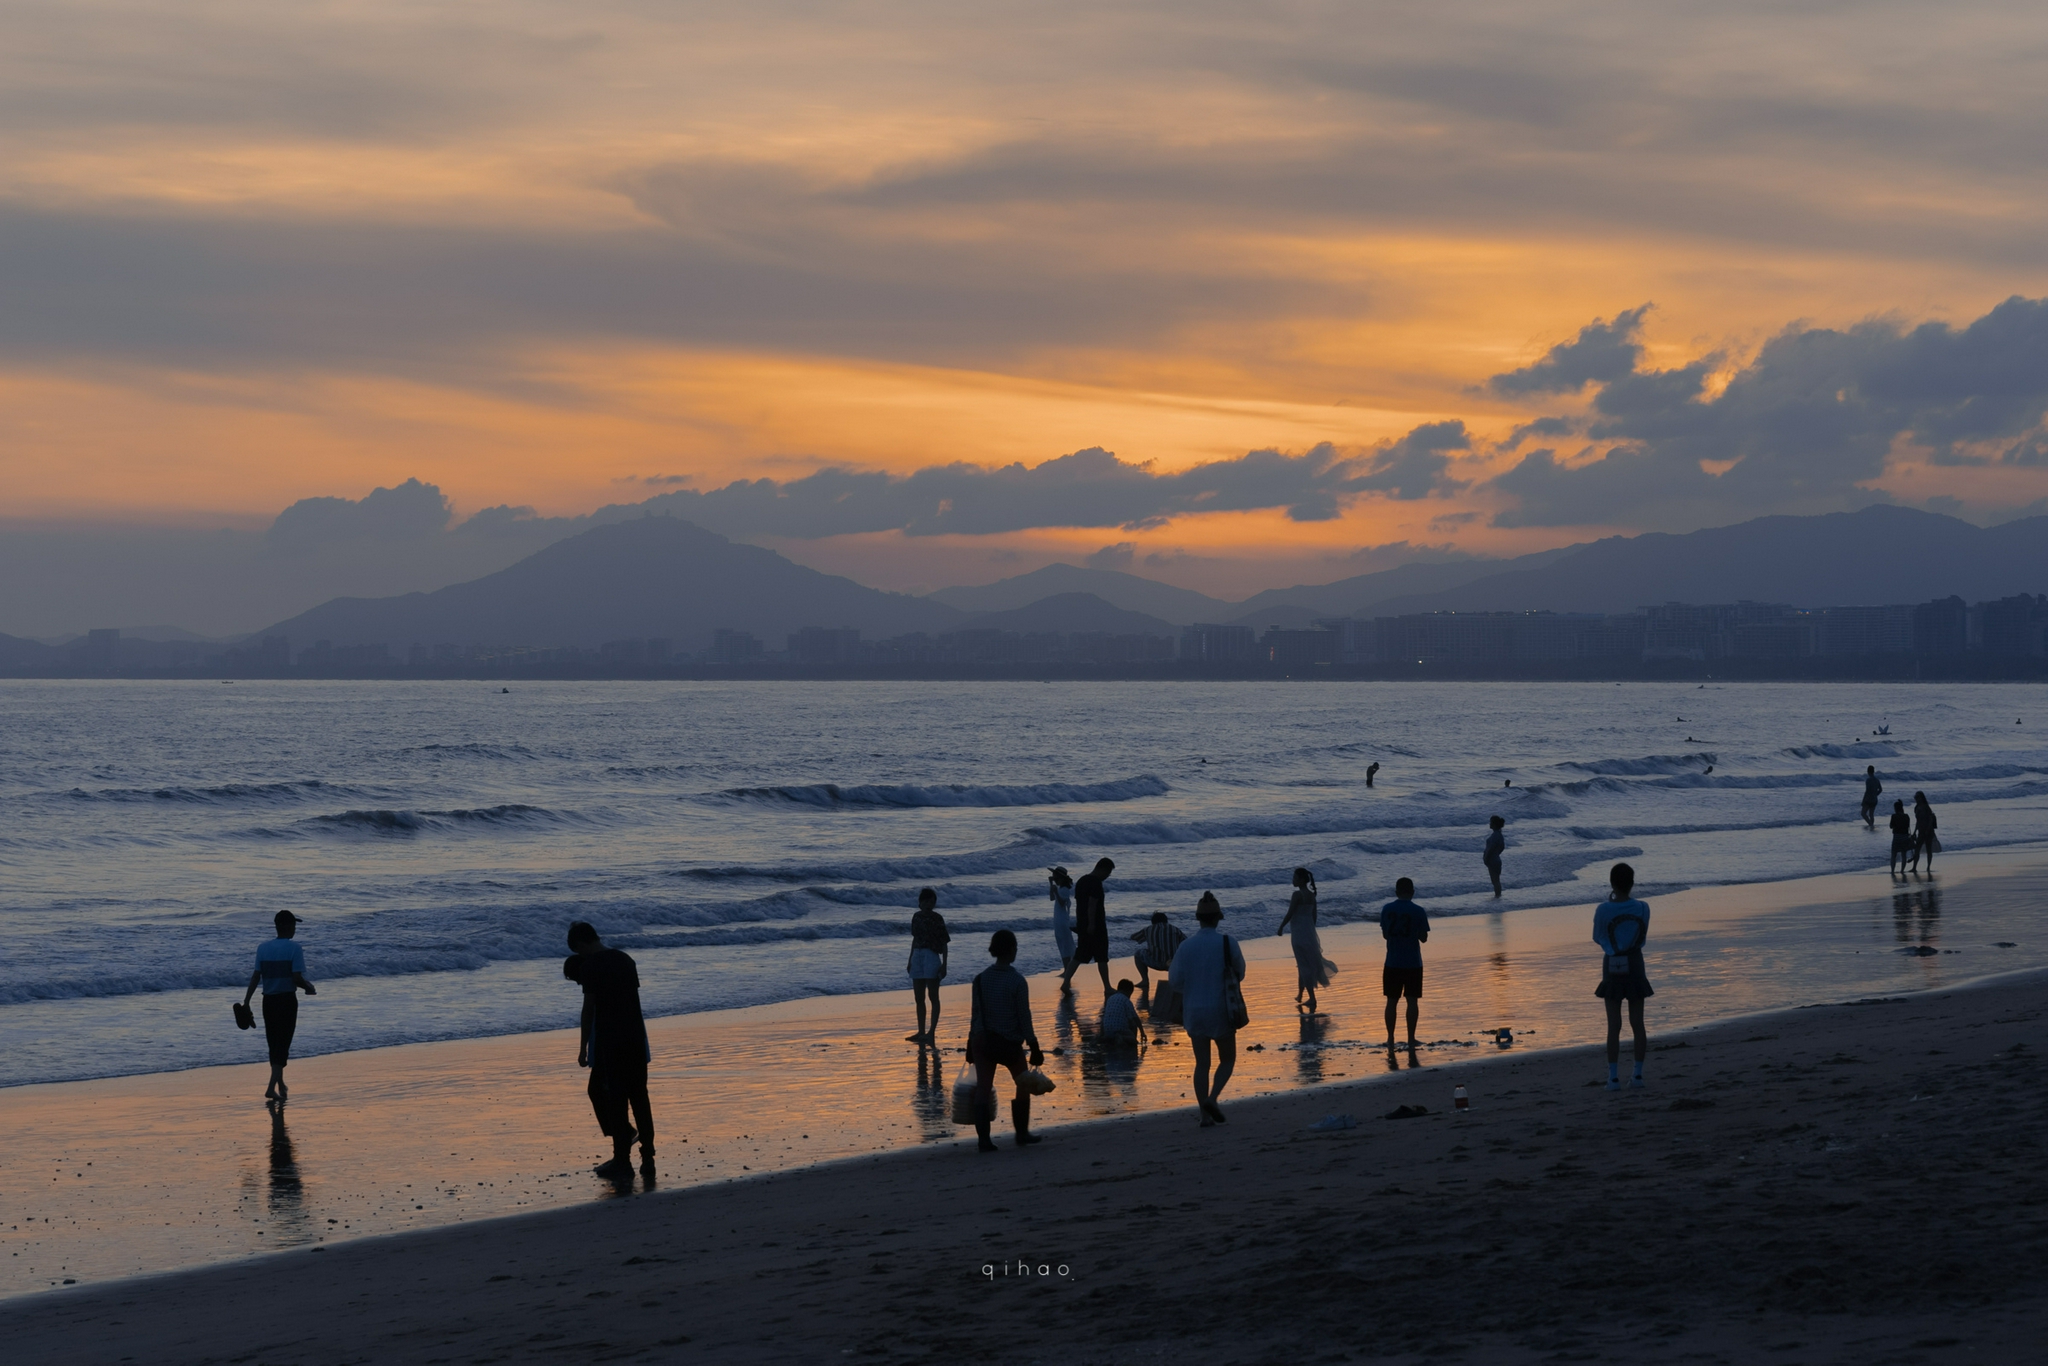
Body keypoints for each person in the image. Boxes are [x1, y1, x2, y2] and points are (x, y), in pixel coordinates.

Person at [564, 921, 654, 1179]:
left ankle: (622, 1162)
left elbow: (589, 1010)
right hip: (636, 1036)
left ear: (581, 945)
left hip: (610, 1041)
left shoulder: (591, 966)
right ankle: (648, 1159)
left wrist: (583, 1049)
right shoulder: (626, 959)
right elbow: (631, 1000)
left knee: (617, 1101)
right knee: (640, 1097)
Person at [1167, 892, 1247, 1127]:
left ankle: (1204, 1115)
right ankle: (1213, 1098)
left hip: (1194, 1010)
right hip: (1222, 1009)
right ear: (1218, 918)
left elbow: (1175, 982)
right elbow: (1240, 973)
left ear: (1198, 919)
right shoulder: (1227, 942)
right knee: (1227, 1059)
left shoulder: (1186, 946)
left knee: (1202, 1064)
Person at [967, 929, 1046, 1151]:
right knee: (1023, 1084)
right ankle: (1021, 1133)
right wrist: (1034, 1046)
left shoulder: (980, 979)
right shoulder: (1017, 981)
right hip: (1010, 1043)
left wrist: (969, 1044)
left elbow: (975, 1015)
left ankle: (984, 1140)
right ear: (1011, 950)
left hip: (983, 1040)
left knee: (984, 1088)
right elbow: (1024, 1017)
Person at [242, 910, 316, 1103]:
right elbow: (296, 978)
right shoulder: (294, 949)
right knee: (283, 1045)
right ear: (288, 927)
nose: (295, 929)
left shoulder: (263, 948)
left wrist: (247, 1001)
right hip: (287, 1001)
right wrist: (309, 987)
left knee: (274, 1043)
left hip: (268, 1001)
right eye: (294, 925)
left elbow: (256, 977)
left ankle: (280, 1084)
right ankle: (269, 1088)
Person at [1593, 863, 1653, 1091]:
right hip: (1635, 961)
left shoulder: (1603, 909)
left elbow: (1597, 937)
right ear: (1632, 883)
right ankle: (1637, 1075)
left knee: (1613, 1024)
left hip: (1613, 962)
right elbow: (1642, 933)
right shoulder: (1643, 907)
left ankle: (1613, 1078)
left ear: (1612, 883)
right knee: (1638, 1022)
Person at [1274, 867, 1337, 1013]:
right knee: (1304, 963)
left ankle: (1312, 997)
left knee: (1303, 965)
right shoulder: (1311, 895)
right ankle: (1301, 994)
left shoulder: (1297, 895)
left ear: (1302, 880)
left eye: (1295, 878)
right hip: (1309, 933)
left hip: (1299, 935)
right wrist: (1311, 931)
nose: (1293, 880)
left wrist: (1281, 927)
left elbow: (1290, 913)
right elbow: (1314, 917)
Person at [1379, 878, 1429, 1053]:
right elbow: (1423, 937)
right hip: (1413, 962)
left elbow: (1385, 934)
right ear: (1412, 891)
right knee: (1412, 1001)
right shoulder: (1418, 911)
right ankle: (1410, 1038)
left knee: (1391, 1001)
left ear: (1396, 891)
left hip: (1392, 961)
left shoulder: (1386, 909)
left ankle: (1390, 1038)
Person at [1063, 857, 1115, 995]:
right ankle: (1107, 987)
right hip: (1096, 925)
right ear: (1103, 869)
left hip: (1082, 923)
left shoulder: (1081, 881)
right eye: (1108, 873)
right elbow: (1092, 904)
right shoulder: (1096, 883)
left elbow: (1080, 904)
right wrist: (1092, 924)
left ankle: (1065, 982)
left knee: (1079, 955)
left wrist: (1082, 924)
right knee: (1102, 956)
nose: (1107, 876)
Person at [905, 887, 949, 1044]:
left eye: (932, 902)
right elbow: (915, 939)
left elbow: (944, 942)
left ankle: (931, 1032)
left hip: (932, 955)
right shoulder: (916, 917)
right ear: (920, 902)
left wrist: (944, 964)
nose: (929, 904)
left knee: (933, 996)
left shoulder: (937, 919)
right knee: (918, 997)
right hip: (917, 954)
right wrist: (910, 959)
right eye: (926, 901)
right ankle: (921, 1031)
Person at [1129, 910, 1185, 993]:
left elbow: (1133, 937)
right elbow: (1185, 942)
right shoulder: (1175, 929)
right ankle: (1180, 980)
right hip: (1173, 964)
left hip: (1156, 962)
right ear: (1166, 920)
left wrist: (1150, 938)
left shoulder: (1148, 929)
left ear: (1153, 922)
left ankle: (1145, 980)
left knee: (1138, 954)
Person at [1048, 867, 1076, 982]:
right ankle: (1067, 969)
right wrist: (1051, 885)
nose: (1054, 878)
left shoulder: (1064, 889)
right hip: (1058, 920)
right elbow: (1051, 898)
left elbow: (1061, 902)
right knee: (1062, 943)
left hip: (1062, 921)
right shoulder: (1060, 888)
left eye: (1055, 876)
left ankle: (1067, 970)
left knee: (1064, 944)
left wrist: (1055, 891)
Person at [1099, 979, 1142, 1045]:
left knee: (1109, 1037)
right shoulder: (1126, 1000)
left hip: (1107, 1030)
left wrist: (1102, 1033)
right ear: (1128, 991)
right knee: (1133, 1028)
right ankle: (1124, 1038)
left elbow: (1104, 1017)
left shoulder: (1110, 999)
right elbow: (1135, 1018)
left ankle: (1105, 1038)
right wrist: (1142, 1032)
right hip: (1120, 1030)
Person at [1913, 791, 1939, 872]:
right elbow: (1917, 821)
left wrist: (1928, 829)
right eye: (1916, 797)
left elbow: (1930, 819)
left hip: (1928, 831)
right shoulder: (1916, 808)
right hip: (1921, 830)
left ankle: (1928, 867)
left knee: (1928, 849)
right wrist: (1914, 831)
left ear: (1921, 798)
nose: (1917, 799)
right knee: (1917, 849)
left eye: (1918, 797)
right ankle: (1914, 867)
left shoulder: (1926, 807)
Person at [1483, 816, 1506, 898]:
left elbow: (1491, 848)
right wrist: (1497, 853)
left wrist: (1486, 858)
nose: (1490, 824)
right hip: (1496, 859)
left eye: (1491, 822)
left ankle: (1498, 896)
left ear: (1494, 824)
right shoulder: (1499, 835)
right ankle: (1498, 895)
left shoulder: (1495, 835)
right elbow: (1502, 847)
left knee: (1495, 880)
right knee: (1496, 880)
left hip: (1493, 860)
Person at [1888, 799, 1913, 875]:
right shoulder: (1906, 816)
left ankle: (1892, 870)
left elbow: (1891, 826)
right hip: (1905, 837)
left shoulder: (1894, 816)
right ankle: (1902, 870)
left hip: (1897, 838)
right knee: (1903, 855)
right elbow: (1908, 826)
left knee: (1893, 855)